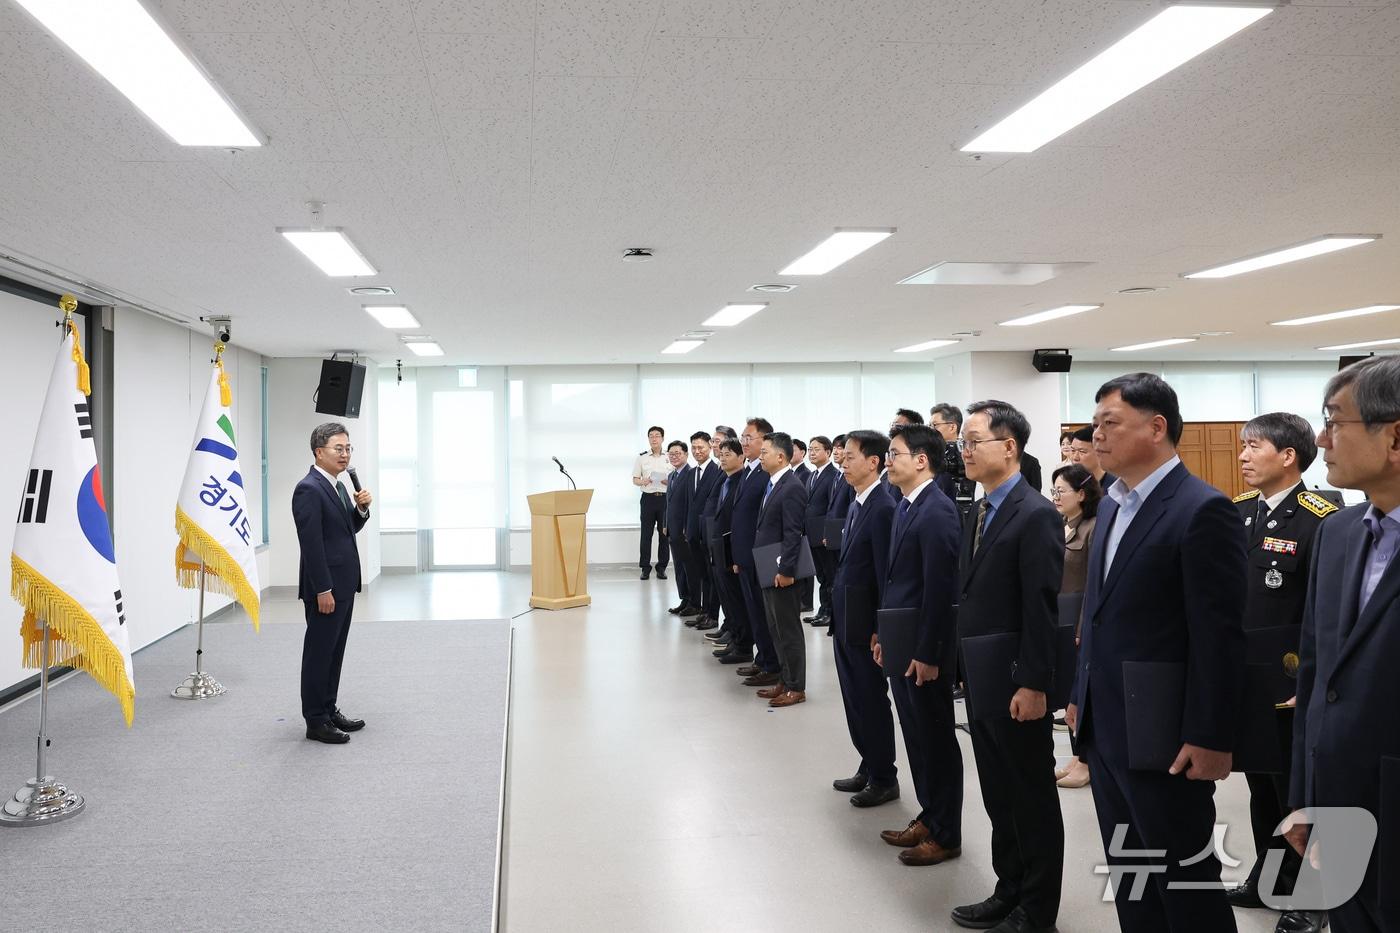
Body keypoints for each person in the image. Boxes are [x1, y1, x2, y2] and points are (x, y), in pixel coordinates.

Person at [1067, 373, 1246, 933]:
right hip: (1109, 723)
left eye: (1109, 423)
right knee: (1132, 875)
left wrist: (1212, 736)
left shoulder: (1201, 509)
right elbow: (1096, 617)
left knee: (1184, 880)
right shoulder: (1115, 505)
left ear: (1157, 426)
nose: (1095, 435)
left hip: (1168, 732)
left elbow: (1219, 636)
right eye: (1094, 424)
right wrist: (1080, 697)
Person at [1285, 356, 1400, 933]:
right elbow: (1316, 677)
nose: (1322, 439)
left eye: (1335, 421)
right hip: (1337, 800)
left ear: (1395, 437)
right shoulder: (1337, 532)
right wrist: (1305, 795)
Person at [952, 401, 1065, 933]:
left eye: (973, 441)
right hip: (982, 676)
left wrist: (1033, 682)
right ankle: (1009, 887)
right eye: (963, 443)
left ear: (1009, 447)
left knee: (1030, 795)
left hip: (1018, 680)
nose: (964, 451)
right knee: (999, 792)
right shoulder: (977, 510)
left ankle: (1038, 908)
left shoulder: (1036, 513)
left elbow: (1040, 608)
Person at [1228, 413, 1335, 933]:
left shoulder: (1322, 518)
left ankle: (1315, 896)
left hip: (1292, 682)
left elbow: (1325, 612)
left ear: (1288, 456)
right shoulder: (1237, 513)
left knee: (1301, 791)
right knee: (1260, 786)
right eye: (1242, 446)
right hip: (1248, 678)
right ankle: (1270, 877)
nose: (1243, 456)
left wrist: (1310, 679)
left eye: (1254, 446)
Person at [874, 423, 963, 867]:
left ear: (921, 460)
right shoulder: (907, 506)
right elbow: (898, 584)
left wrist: (928, 653)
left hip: (924, 653)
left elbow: (939, 591)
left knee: (936, 742)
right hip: (903, 645)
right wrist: (885, 637)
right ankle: (929, 816)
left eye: (894, 454)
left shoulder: (937, 511)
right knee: (917, 740)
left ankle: (946, 833)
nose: (888, 461)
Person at [830, 430, 900, 807]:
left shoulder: (884, 507)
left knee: (870, 698)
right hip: (846, 617)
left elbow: (883, 573)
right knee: (853, 697)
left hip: (865, 623)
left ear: (874, 462)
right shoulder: (857, 501)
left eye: (850, 456)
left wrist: (879, 628)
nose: (843, 462)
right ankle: (869, 763)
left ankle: (884, 777)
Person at [293, 422, 373, 745]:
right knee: (319, 652)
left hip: (343, 585)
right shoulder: (308, 489)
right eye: (338, 449)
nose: (345, 454)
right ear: (319, 452)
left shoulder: (337, 486)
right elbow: (311, 545)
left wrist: (361, 511)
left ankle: (328, 708)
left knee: (334, 651)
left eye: (348, 448)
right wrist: (322, 589)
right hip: (325, 589)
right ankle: (315, 720)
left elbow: (344, 531)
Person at [1049, 464, 1101, 790]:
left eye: (1061, 491)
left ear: (1081, 494)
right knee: (1070, 691)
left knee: (1081, 692)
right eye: (1053, 491)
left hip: (1080, 622)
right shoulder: (1063, 525)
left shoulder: (1092, 528)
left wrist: (1083, 625)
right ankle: (1076, 756)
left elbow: (1094, 586)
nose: (1055, 496)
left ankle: (1087, 761)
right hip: (1060, 620)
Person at [751, 431, 809, 707]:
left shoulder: (792, 486)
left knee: (788, 629)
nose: (760, 456)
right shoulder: (773, 483)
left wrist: (786, 570)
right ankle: (785, 680)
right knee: (775, 628)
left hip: (781, 570)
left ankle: (797, 686)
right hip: (767, 565)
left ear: (781, 456)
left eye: (764, 452)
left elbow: (793, 533)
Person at [732, 418, 783, 686]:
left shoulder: (766, 474)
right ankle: (762, 658)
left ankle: (772, 664)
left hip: (760, 555)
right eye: (742, 436)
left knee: (764, 615)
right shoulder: (750, 470)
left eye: (749, 436)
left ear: (764, 439)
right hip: (746, 554)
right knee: (753, 611)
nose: (744, 441)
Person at [707, 439, 754, 665]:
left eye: (728, 454)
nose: (723, 457)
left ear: (741, 457)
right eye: (721, 454)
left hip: (732, 547)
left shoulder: (741, 481)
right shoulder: (725, 480)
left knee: (737, 599)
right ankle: (735, 639)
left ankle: (744, 645)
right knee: (728, 599)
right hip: (720, 546)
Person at [684, 431, 721, 631]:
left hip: (708, 532)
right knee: (702, 574)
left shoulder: (717, 470)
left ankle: (713, 615)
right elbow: (691, 505)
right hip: (693, 533)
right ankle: (704, 612)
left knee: (711, 575)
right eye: (694, 448)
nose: (697, 451)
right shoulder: (691, 473)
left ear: (710, 447)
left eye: (701, 447)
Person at [804, 436, 839, 627]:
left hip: (824, 534)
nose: (812, 453)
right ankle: (822, 609)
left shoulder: (832, 475)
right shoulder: (812, 475)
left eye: (816, 449)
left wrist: (827, 533)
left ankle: (830, 611)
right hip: (811, 533)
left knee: (829, 574)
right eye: (810, 449)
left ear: (828, 452)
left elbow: (831, 507)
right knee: (821, 576)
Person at [662, 440, 696, 616]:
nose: (674, 456)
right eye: (671, 453)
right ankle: (684, 598)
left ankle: (693, 601)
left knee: (689, 568)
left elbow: (691, 505)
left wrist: (686, 527)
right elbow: (668, 504)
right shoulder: (672, 476)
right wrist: (665, 525)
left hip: (684, 531)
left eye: (678, 453)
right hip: (672, 530)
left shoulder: (690, 474)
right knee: (679, 568)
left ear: (686, 454)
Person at [633, 426, 670, 580]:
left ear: (662, 438)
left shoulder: (669, 456)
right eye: (651, 436)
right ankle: (645, 568)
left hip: (665, 499)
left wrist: (669, 482)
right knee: (646, 535)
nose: (654, 439)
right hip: (648, 499)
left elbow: (677, 478)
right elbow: (635, 479)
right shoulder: (642, 458)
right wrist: (644, 480)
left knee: (664, 534)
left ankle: (661, 567)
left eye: (657, 436)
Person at [1069, 425, 1117, 491]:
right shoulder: (1070, 484)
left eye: (1082, 451)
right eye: (1073, 450)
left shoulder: (1115, 487)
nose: (1075, 457)